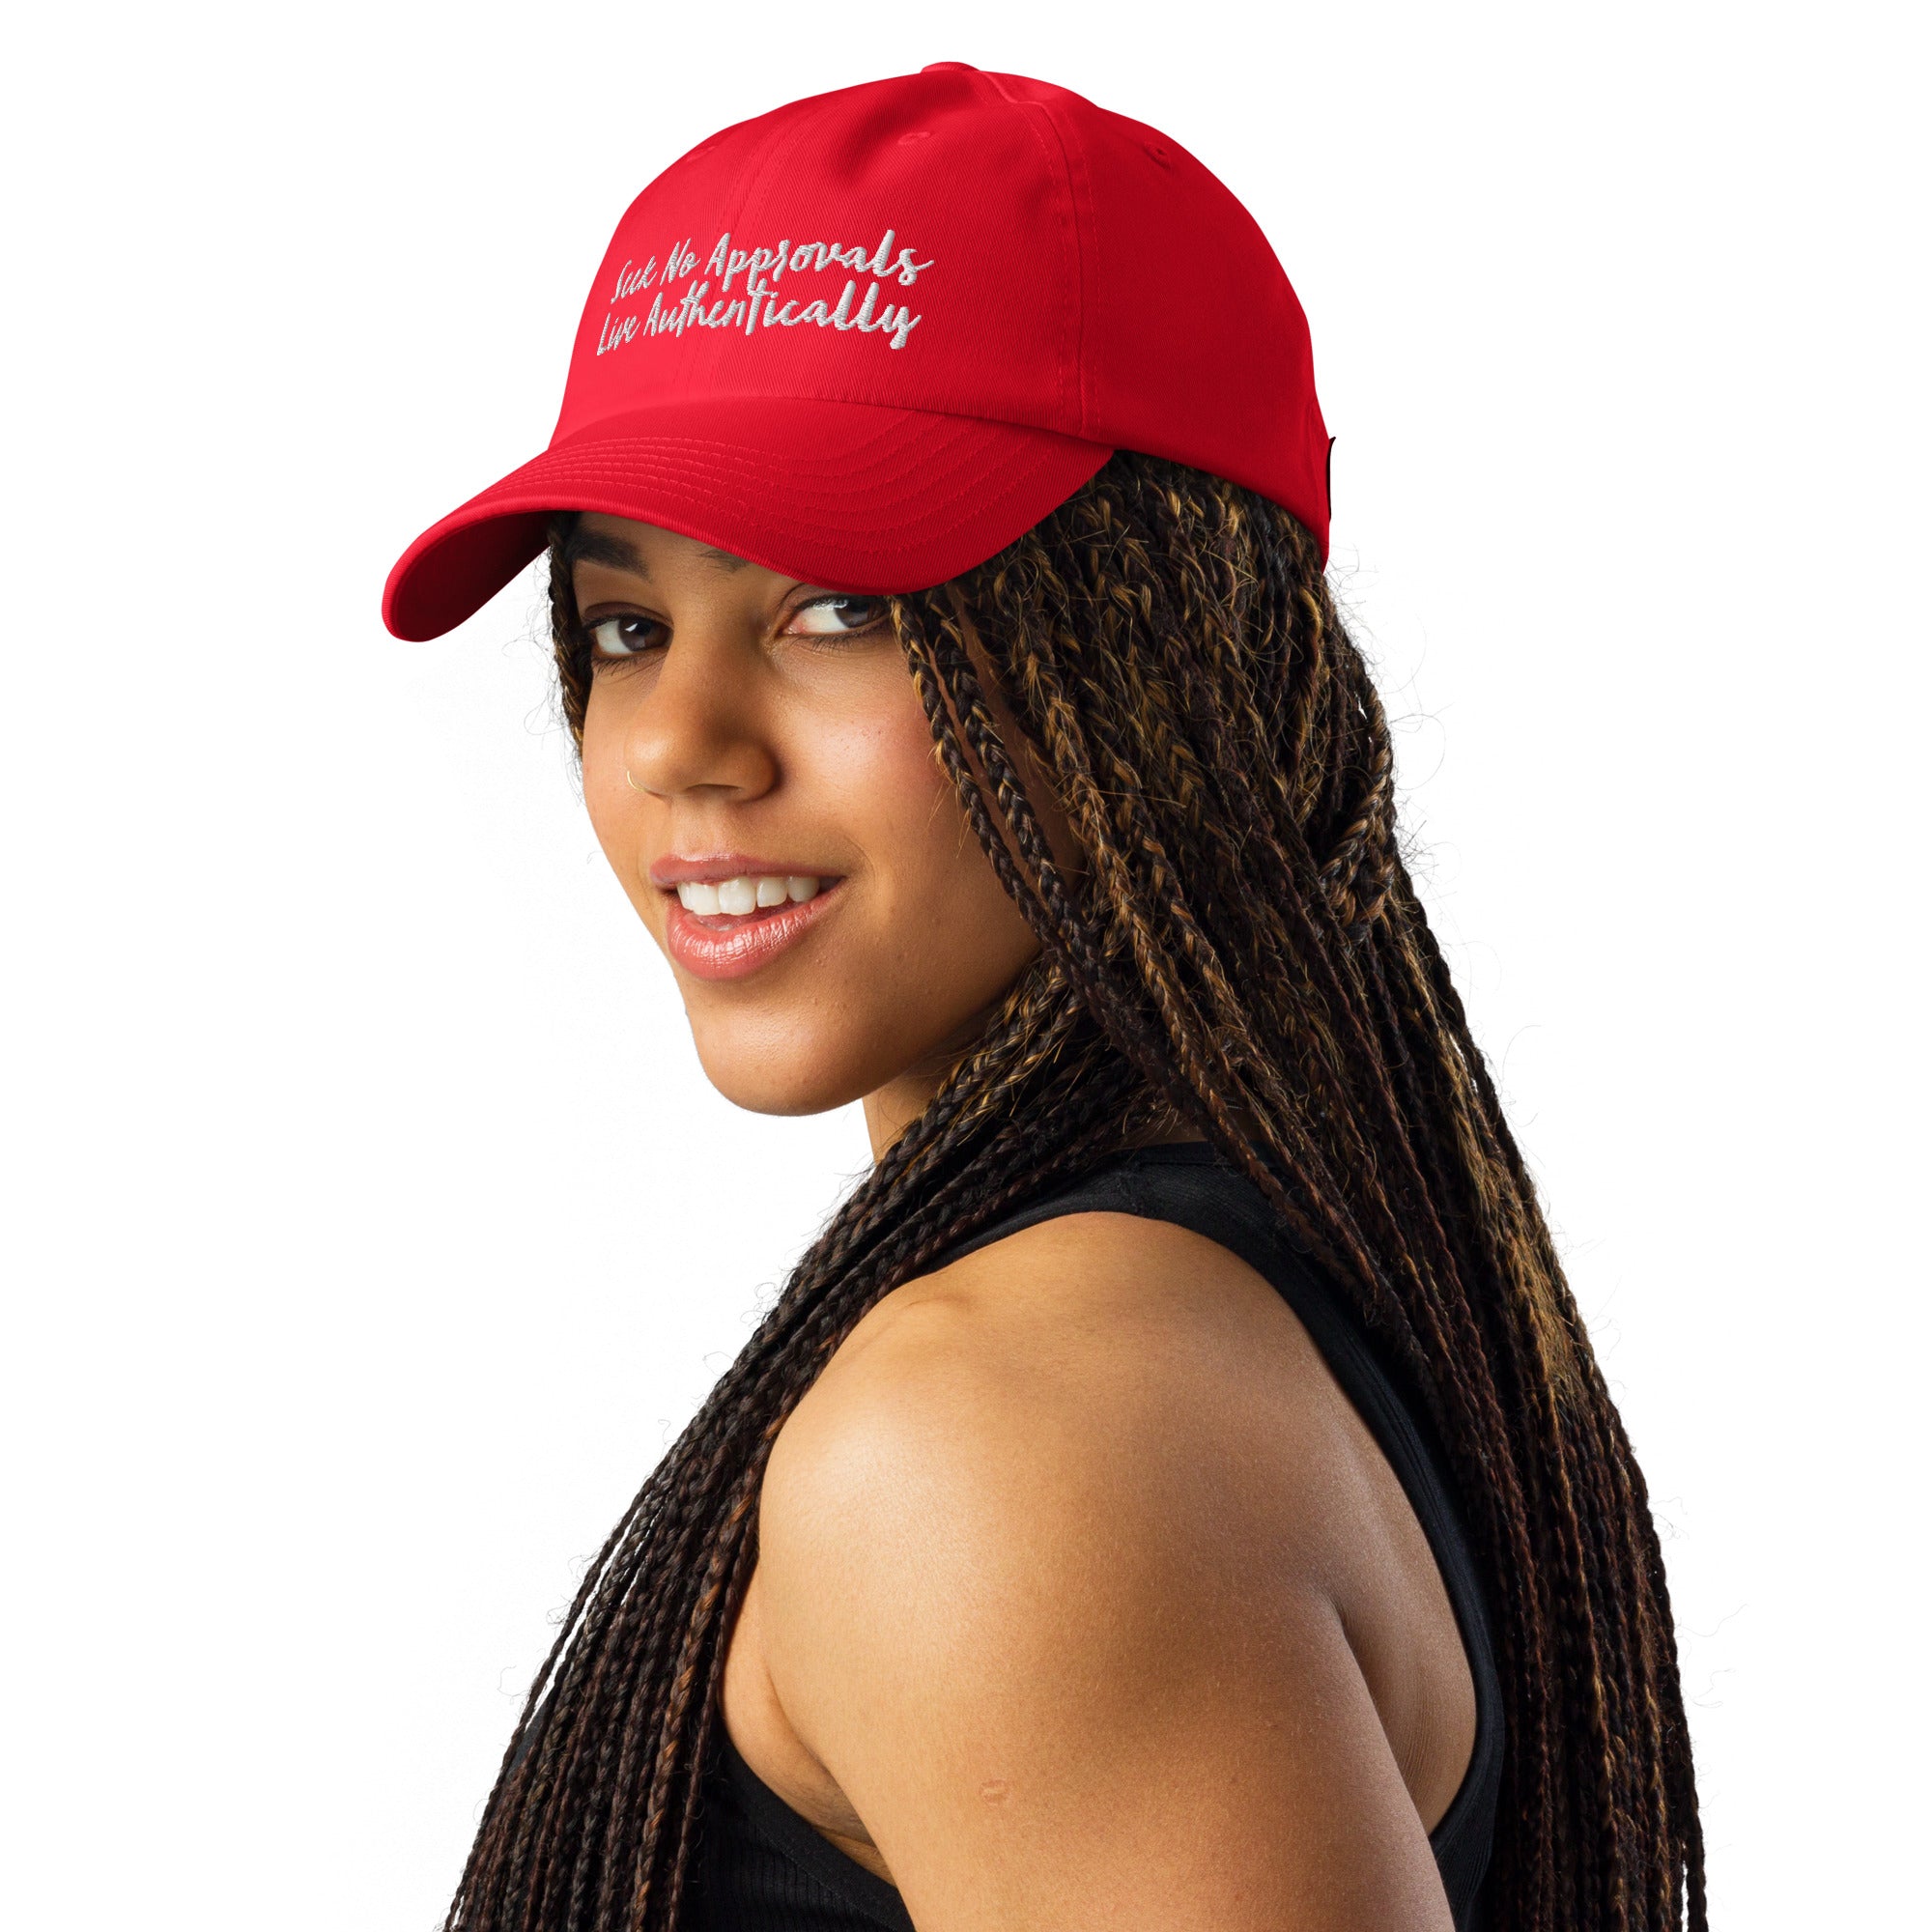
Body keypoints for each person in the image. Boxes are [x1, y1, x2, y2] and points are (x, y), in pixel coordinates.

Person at [383, 63, 1703, 1932]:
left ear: (1161, 658)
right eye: (623, 625)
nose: (676, 742)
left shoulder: (1004, 1441)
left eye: (843, 604)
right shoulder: (1229, 1323)